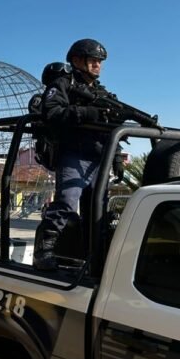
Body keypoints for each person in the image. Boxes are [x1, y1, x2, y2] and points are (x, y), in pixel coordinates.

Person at [34, 38, 123, 271]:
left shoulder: (101, 92)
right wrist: (86, 112)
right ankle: (44, 252)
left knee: (97, 211)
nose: (97, 65)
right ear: (76, 60)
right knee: (66, 203)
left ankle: (94, 259)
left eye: (99, 61)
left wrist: (116, 156)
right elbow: (51, 112)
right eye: (92, 60)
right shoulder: (64, 84)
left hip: (98, 158)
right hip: (74, 153)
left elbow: (111, 127)